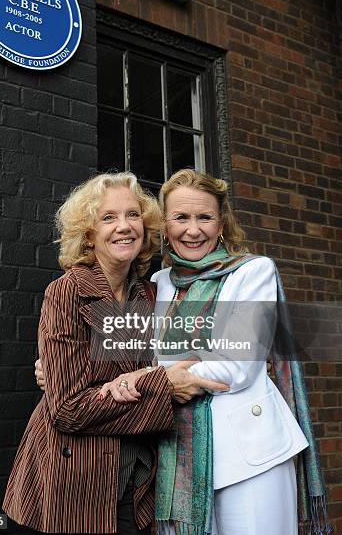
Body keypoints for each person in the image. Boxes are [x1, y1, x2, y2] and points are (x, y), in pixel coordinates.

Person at [99, 169, 329, 535]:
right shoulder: (159, 284)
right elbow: (127, 351)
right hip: (176, 455)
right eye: (181, 218)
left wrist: (156, 378)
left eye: (204, 217)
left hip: (252, 459)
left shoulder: (251, 272)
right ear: (165, 227)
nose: (193, 230)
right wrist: (61, 361)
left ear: (221, 222)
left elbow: (236, 364)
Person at [3, 171, 228, 534]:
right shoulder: (68, 292)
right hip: (75, 480)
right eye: (108, 218)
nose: (124, 226)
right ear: (89, 234)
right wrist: (162, 387)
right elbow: (67, 409)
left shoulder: (151, 295)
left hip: (136, 478)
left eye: (132, 215)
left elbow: (195, 354)